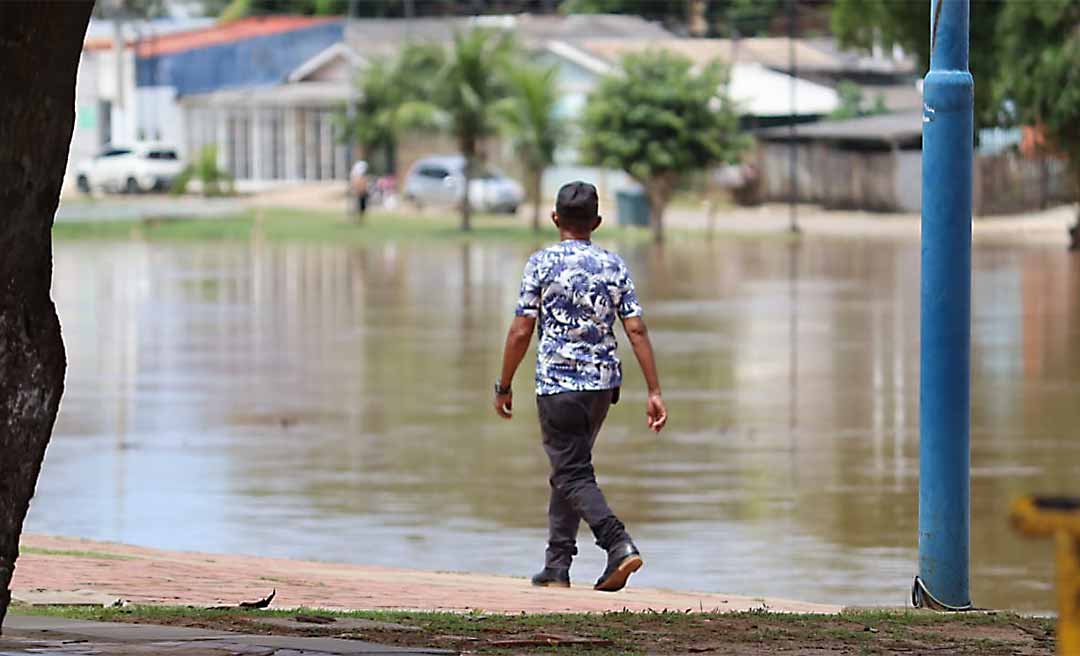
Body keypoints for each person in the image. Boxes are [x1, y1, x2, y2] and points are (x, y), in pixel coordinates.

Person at [494, 181, 668, 592]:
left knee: (571, 470)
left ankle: (617, 543)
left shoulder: (540, 263)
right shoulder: (613, 265)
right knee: (569, 468)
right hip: (602, 389)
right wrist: (654, 390)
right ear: (597, 222)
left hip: (558, 384)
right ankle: (557, 565)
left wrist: (503, 384)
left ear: (555, 219)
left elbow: (521, 329)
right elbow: (636, 329)